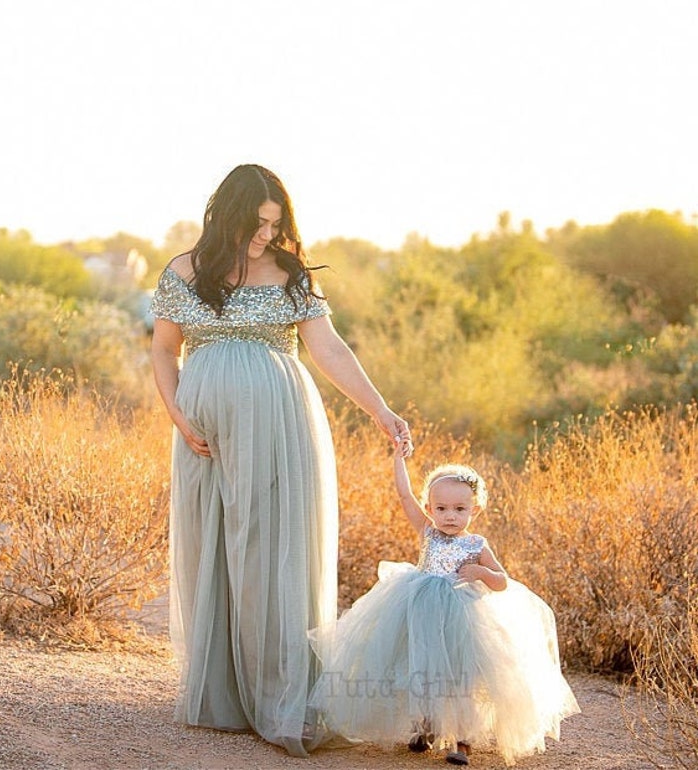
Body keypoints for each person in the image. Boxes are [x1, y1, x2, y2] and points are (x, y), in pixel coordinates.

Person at [150, 163, 411, 757]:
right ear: (228, 214)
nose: (266, 235)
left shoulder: (290, 274)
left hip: (279, 427)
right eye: (257, 222)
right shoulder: (184, 271)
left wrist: (380, 410)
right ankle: (222, 694)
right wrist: (178, 415)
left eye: (275, 223)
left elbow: (329, 348)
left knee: (270, 549)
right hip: (202, 431)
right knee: (212, 545)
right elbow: (164, 350)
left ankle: (278, 693)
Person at [308, 445, 580, 766]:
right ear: (430, 508)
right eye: (441, 508)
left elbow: (501, 580)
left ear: (474, 510)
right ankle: (426, 726)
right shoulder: (427, 532)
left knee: (461, 677)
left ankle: (462, 740)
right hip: (419, 610)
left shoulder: (477, 544)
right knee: (420, 669)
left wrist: (480, 571)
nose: (450, 516)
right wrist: (398, 460)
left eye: (459, 509)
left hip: (462, 618)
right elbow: (405, 496)